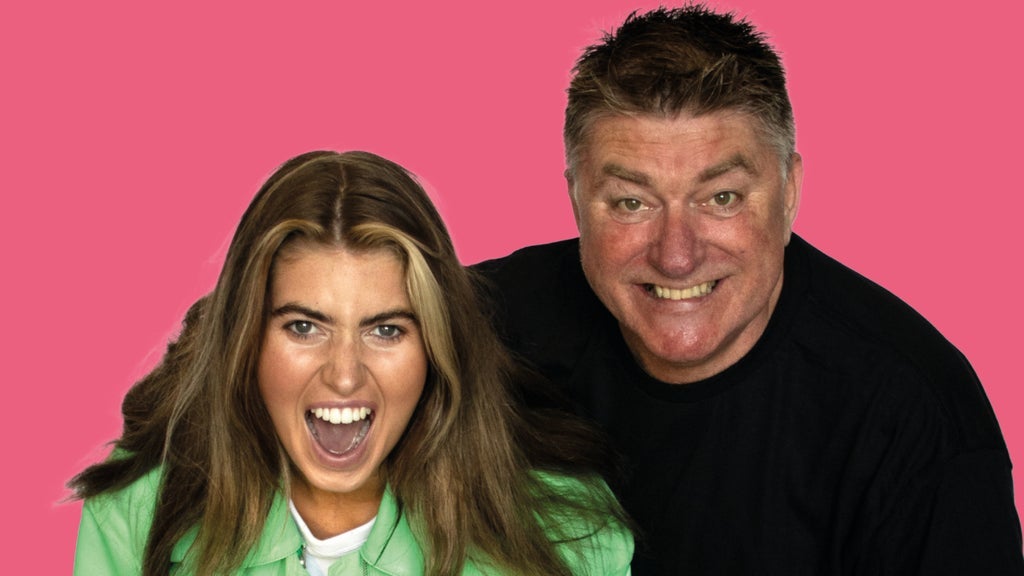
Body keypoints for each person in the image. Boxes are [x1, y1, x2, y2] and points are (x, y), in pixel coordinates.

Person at [476, 5, 1023, 575]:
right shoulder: (478, 326)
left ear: (789, 193)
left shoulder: (915, 414)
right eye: (631, 203)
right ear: (576, 200)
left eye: (722, 198)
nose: (676, 256)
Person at [69, 151, 633, 575]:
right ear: (246, 341)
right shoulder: (137, 514)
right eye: (303, 327)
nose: (344, 375)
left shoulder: (569, 537)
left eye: (386, 330)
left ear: (437, 348)